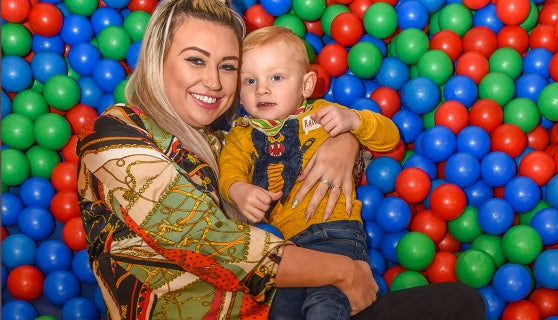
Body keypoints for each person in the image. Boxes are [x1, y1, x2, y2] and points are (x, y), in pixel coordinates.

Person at [76, 0, 486, 319]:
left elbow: (294, 152)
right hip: (257, 299)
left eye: (228, 67)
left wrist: (343, 143)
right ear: (156, 58)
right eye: (195, 60)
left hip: (276, 299)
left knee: (459, 304)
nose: (214, 82)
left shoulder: (218, 139)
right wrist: (344, 271)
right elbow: (217, 247)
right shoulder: (114, 136)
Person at [217, 25, 401, 320]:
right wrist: (238, 190)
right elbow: (229, 169)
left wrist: (353, 120)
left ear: (306, 86)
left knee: (326, 305)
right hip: (285, 247)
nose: (261, 88)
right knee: (281, 311)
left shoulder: (322, 114)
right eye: (249, 80)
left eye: (276, 77)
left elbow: (390, 137)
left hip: (336, 229)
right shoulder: (241, 134)